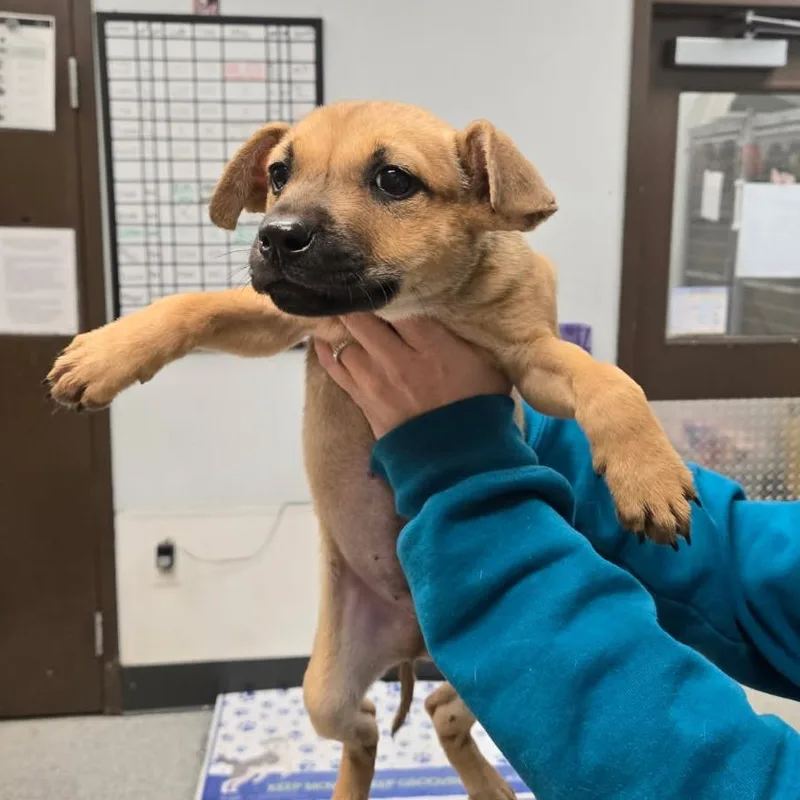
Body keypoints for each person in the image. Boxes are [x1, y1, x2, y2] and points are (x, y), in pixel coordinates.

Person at [314, 314, 800, 800]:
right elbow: (758, 569)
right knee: (328, 704)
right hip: (415, 548)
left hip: (477, 550)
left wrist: (464, 468)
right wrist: (516, 427)